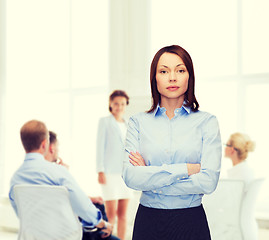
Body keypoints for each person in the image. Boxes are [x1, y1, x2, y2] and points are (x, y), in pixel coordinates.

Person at [122, 45, 222, 240]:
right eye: (164, 71)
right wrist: (186, 169)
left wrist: (150, 178)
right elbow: (131, 177)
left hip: (191, 222)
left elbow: (208, 182)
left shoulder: (207, 122)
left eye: (180, 70)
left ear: (189, 77)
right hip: (148, 222)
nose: (172, 77)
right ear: (154, 78)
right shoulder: (138, 122)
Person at [9, 120, 113, 239]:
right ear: (44, 144)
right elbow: (83, 206)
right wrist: (102, 223)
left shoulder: (15, 180)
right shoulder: (58, 172)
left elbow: (22, 215)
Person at [45, 130, 120, 240]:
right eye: (58, 147)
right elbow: (78, 204)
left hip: (48, 229)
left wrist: (88, 198)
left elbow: (66, 197)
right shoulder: (58, 173)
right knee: (98, 211)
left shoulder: (29, 176)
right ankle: (101, 232)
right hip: (68, 231)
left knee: (97, 204)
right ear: (52, 148)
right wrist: (103, 224)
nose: (58, 151)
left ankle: (99, 233)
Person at [96, 90, 132, 240]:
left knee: (123, 215)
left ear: (126, 105)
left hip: (126, 173)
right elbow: (100, 146)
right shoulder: (105, 122)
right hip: (109, 174)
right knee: (111, 215)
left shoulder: (128, 123)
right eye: (116, 103)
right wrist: (100, 170)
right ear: (111, 104)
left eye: (122, 104)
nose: (119, 107)